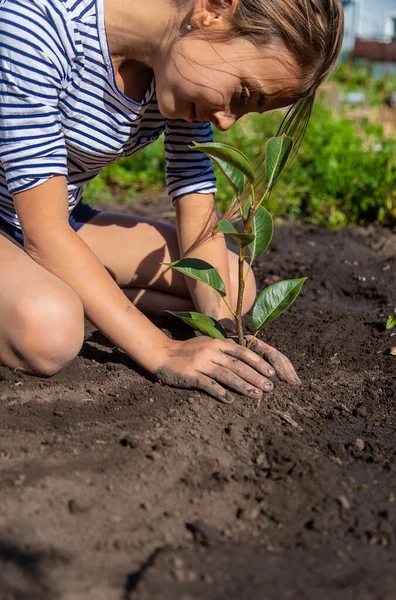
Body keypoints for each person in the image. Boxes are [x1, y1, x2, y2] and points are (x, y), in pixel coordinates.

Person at [0, 0, 343, 403]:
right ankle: (63, 298)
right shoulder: (35, 26)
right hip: (41, 224)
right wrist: (163, 350)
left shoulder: (174, 66)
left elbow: (196, 206)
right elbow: (45, 232)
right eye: (243, 92)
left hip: (45, 219)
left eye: (249, 109)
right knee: (49, 331)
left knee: (234, 287)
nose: (227, 121)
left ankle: (81, 296)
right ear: (212, 10)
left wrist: (224, 333)